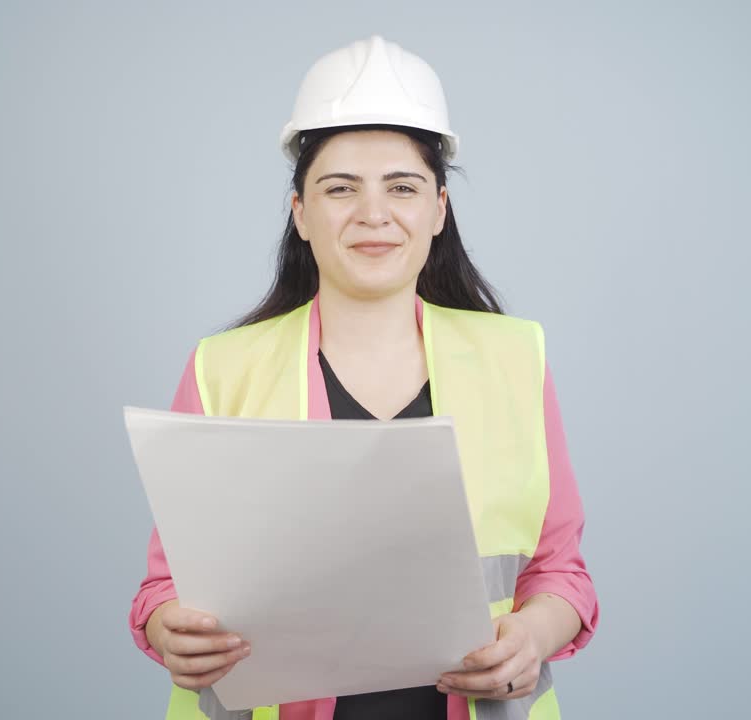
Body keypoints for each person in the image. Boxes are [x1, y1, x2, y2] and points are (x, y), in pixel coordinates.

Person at [128, 35, 598, 720]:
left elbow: (559, 571)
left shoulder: (515, 359)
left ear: (438, 209)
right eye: (340, 188)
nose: (373, 214)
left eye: (401, 188)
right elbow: (164, 588)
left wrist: (532, 637)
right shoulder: (223, 369)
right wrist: (166, 627)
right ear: (301, 213)